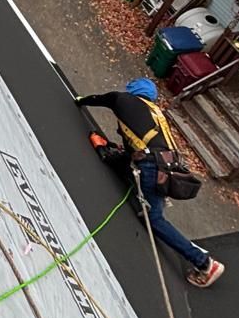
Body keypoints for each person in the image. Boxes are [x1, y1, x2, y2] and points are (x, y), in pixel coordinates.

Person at [75, 78, 225, 288]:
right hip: (167, 167)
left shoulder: (123, 100)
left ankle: (204, 262)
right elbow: (139, 148)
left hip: (151, 168)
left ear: (134, 92)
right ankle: (156, 195)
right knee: (123, 165)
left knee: (153, 218)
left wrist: (79, 101)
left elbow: (97, 99)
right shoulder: (157, 114)